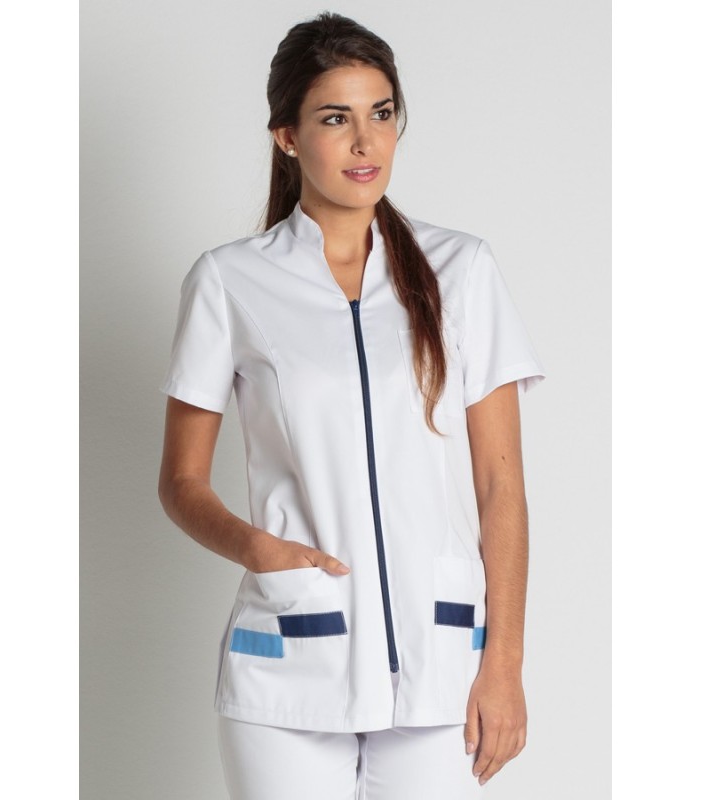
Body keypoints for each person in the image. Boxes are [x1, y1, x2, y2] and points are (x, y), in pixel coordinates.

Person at [157, 11, 545, 799]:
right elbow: (181, 483)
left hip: (441, 663)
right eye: (336, 118)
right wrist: (257, 549)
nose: (366, 142)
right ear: (288, 136)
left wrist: (503, 664)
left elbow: (501, 485)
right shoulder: (230, 281)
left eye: (382, 113)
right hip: (292, 661)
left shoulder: (462, 269)